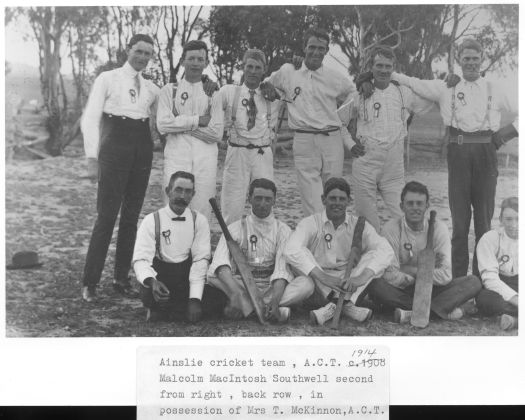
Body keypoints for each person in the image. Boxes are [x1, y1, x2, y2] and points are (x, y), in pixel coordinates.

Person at [388, 38, 518, 278]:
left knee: (483, 221)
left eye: (475, 59)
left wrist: (504, 136)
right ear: (459, 60)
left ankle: (483, 278)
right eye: (466, 59)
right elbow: (413, 83)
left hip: (486, 154)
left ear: (482, 60)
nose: (470, 63)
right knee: (459, 222)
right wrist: (384, 72)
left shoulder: (495, 88)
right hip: (458, 154)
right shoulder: (445, 87)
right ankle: (458, 278)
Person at [80, 34, 160, 302]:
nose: (143, 57)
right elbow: (90, 118)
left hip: (141, 148)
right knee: (106, 216)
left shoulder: (151, 88)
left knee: (131, 218)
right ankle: (90, 282)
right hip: (114, 146)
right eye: (139, 51)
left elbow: (167, 113)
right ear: (128, 50)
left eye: (148, 53)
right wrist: (92, 157)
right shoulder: (108, 78)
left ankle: (121, 277)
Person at [338, 45, 434, 232]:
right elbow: (338, 121)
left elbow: (431, 97)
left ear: (393, 68)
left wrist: (446, 86)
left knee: (404, 215)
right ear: (371, 67)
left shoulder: (403, 92)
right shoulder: (358, 94)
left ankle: (405, 257)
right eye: (379, 65)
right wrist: (350, 144)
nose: (383, 70)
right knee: (366, 221)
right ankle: (372, 259)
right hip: (366, 161)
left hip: (393, 165)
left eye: (387, 66)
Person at [264, 27, 356, 216]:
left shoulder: (334, 77)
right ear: (304, 48)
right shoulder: (289, 71)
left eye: (321, 48)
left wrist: (342, 118)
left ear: (327, 51)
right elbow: (266, 85)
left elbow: (354, 93)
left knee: (334, 191)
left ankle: (333, 237)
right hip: (304, 140)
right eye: (312, 47)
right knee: (311, 197)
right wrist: (272, 91)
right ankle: (316, 238)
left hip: (332, 139)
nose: (316, 52)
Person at [367, 181, 481, 323]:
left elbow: (445, 275)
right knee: (375, 285)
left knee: (473, 282)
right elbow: (389, 274)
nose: (415, 208)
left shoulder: (439, 229)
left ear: (427, 206)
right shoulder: (391, 229)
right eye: (410, 203)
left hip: (434, 289)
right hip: (403, 290)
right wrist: (424, 273)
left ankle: (411, 314)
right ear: (402, 206)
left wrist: (410, 270)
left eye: (419, 203)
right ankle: (439, 310)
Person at [284, 177, 394, 326]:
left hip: (346, 281)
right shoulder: (310, 222)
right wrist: (322, 276)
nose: (337, 203)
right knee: (299, 253)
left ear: (348, 201)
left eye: (342, 199)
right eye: (332, 198)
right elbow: (291, 249)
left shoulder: (358, 224)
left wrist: (361, 278)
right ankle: (346, 307)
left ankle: (338, 305)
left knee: (374, 255)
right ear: (323, 200)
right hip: (319, 282)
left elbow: (386, 250)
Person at [208, 178, 314, 323]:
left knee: (307, 284)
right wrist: (236, 294)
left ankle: (257, 308)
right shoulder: (235, 228)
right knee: (212, 276)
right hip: (243, 285)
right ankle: (255, 305)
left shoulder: (283, 230)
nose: (262, 204)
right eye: (258, 198)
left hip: (271, 287)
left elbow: (281, 270)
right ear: (249, 198)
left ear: (274, 200)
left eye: (267, 199)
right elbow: (220, 264)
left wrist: (275, 301)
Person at [132, 171, 225, 322]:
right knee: (148, 293)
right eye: (178, 190)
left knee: (219, 298)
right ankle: (168, 309)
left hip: (186, 278)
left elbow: (201, 260)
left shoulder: (199, 220)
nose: (182, 196)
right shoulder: (151, 220)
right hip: (162, 278)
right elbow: (141, 259)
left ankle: (170, 311)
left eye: (188, 191)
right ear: (168, 191)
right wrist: (152, 282)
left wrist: (194, 299)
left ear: (193, 194)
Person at [156, 40, 223, 220]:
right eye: (191, 58)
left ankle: (200, 248)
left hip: (205, 160)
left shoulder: (214, 93)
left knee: (202, 208)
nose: (195, 63)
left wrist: (181, 126)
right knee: (173, 208)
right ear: (183, 60)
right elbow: (162, 124)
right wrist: (197, 121)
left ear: (206, 63)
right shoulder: (170, 91)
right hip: (177, 157)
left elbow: (216, 133)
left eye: (200, 59)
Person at [218, 49, 281, 225]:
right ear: (243, 67)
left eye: (258, 67)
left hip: (262, 153)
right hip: (237, 152)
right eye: (249, 66)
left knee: (264, 203)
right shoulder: (229, 92)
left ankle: (263, 245)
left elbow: (292, 77)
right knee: (232, 206)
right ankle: (230, 247)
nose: (253, 71)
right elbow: (210, 104)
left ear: (264, 70)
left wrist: (272, 87)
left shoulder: (274, 95)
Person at [476, 197, 518, 330]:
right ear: (500, 219)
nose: (514, 224)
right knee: (484, 300)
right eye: (509, 219)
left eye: (518, 218)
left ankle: (514, 321)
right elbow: (490, 279)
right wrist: (517, 300)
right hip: (498, 285)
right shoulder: (490, 239)